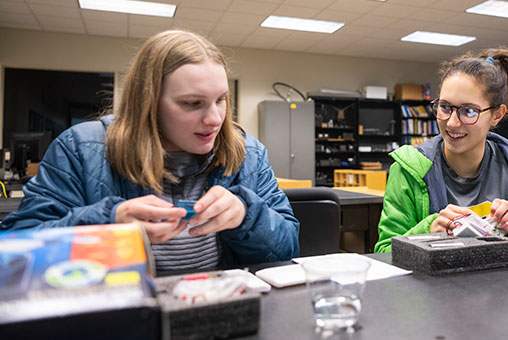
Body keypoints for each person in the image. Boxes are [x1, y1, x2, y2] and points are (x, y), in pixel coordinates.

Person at [1, 29, 300, 270]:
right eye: (192, 103)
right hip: (123, 313)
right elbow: (17, 248)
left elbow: (288, 247)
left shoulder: (248, 152)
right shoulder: (80, 149)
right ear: (149, 102)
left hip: (220, 310)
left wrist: (247, 216)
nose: (215, 119)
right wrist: (108, 223)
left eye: (221, 99)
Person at [375, 48, 508, 252]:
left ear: (497, 115)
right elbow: (384, 252)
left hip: (501, 282)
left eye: (469, 111)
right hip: (432, 284)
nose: (451, 122)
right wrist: (427, 230)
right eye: (445, 107)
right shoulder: (408, 168)